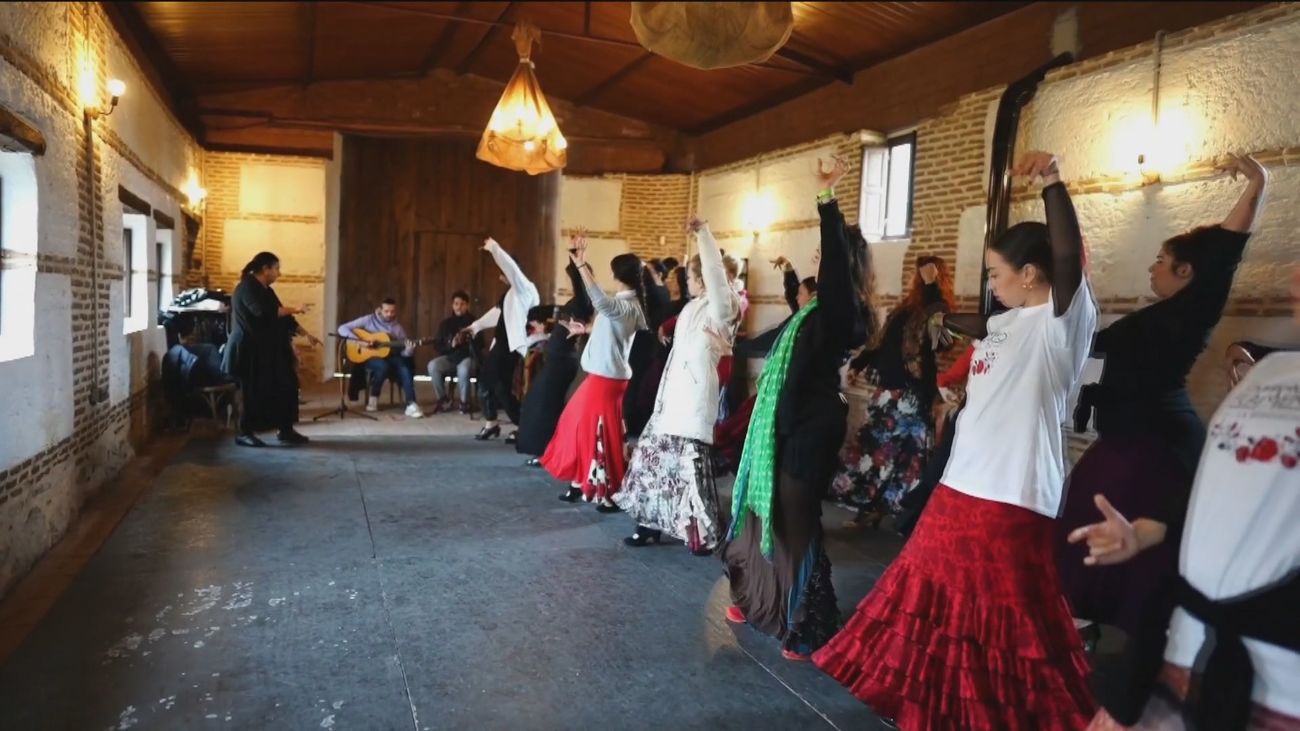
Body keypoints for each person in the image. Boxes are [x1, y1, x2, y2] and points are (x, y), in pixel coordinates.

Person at [814, 151, 1098, 728]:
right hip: (961, 482)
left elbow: (1068, 256)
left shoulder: (1061, 324)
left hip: (1010, 494)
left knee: (999, 616)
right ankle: (941, 707)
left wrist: (1052, 184)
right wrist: (956, 371)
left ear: (1033, 274)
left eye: (997, 274)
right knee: (937, 598)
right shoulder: (1010, 322)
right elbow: (984, 334)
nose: (991, 284)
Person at [1056, 154, 1269, 658]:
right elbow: (1095, 345)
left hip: (1157, 445)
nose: (1152, 266)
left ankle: (1147, 639)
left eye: (1160, 259)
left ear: (1186, 271)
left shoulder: (1192, 311)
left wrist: (1259, 184)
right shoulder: (1152, 317)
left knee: (1142, 541)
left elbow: (1224, 255)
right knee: (1085, 526)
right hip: (1127, 439)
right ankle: (1088, 622)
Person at [1069, 267, 1299, 731]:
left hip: (1278, 681)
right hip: (1188, 645)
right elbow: (1221, 491)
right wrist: (1146, 531)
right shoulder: (1267, 374)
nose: (1294, 277)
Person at [720, 154, 875, 661]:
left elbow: (831, 267)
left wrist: (827, 199)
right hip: (788, 425)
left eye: (824, 257)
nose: (816, 261)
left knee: (795, 520)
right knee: (765, 515)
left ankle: (808, 620)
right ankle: (758, 596)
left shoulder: (841, 311)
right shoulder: (811, 312)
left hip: (809, 429)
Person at [616, 217, 742, 555]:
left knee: (690, 471)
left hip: (693, 404)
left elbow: (716, 274)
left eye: (689, 277)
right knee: (653, 464)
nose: (686, 282)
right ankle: (650, 526)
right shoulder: (693, 308)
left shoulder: (722, 306)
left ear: (702, 279)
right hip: (672, 402)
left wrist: (704, 233)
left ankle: (704, 533)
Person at [833, 256, 954, 527]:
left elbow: (942, 342)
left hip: (911, 395)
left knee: (907, 458)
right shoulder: (904, 309)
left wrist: (933, 287)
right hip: (887, 392)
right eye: (918, 273)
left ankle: (905, 516)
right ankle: (870, 510)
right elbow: (881, 343)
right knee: (872, 452)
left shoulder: (938, 308)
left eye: (924, 274)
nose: (918, 278)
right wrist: (859, 364)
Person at [540, 248, 648, 512]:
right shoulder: (628, 305)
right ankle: (581, 481)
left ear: (616, 274)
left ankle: (608, 493)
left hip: (606, 380)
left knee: (599, 433)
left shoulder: (624, 305)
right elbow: (611, 327)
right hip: (605, 377)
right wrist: (586, 328)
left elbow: (600, 302)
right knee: (578, 426)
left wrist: (580, 266)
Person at [515, 233, 595, 465]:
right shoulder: (579, 301)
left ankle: (546, 453)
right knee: (540, 403)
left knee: (544, 405)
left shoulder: (584, 301)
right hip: (558, 359)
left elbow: (579, 283)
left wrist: (575, 257)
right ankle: (547, 452)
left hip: (562, 361)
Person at [222, 251, 312, 447]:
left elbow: (282, 316)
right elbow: (264, 312)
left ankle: (285, 430)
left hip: (267, 351)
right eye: (276, 268)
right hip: (248, 350)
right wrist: (296, 307)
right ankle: (244, 433)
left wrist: (304, 332)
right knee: (251, 392)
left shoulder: (266, 290)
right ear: (265, 269)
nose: (279, 273)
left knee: (286, 385)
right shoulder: (247, 288)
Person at [461, 237, 540, 441]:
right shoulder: (512, 293)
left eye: (503, 274)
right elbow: (497, 314)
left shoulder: (524, 288)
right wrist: (476, 326)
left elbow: (511, 267)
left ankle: (498, 423)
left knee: (488, 382)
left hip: (510, 346)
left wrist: (494, 248)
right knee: (500, 387)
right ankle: (513, 424)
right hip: (503, 345)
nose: (500, 278)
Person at [338, 297, 424, 419]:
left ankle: (411, 404)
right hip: (370, 356)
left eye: (393, 311)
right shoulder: (368, 320)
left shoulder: (397, 328)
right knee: (382, 366)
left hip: (391, 356)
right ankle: (374, 397)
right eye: (386, 311)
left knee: (405, 368)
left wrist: (409, 349)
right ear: (379, 310)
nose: (390, 314)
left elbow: (404, 354)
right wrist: (360, 341)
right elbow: (342, 328)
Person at [427, 291, 476, 414]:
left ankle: (465, 403)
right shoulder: (445, 324)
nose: (459, 307)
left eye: (462, 304)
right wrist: (451, 345)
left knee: (463, 369)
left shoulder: (474, 322)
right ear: (452, 305)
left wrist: (465, 342)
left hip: (467, 357)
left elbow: (480, 345)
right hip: (450, 357)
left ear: (467, 305)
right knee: (432, 366)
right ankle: (443, 400)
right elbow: (438, 345)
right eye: (456, 303)